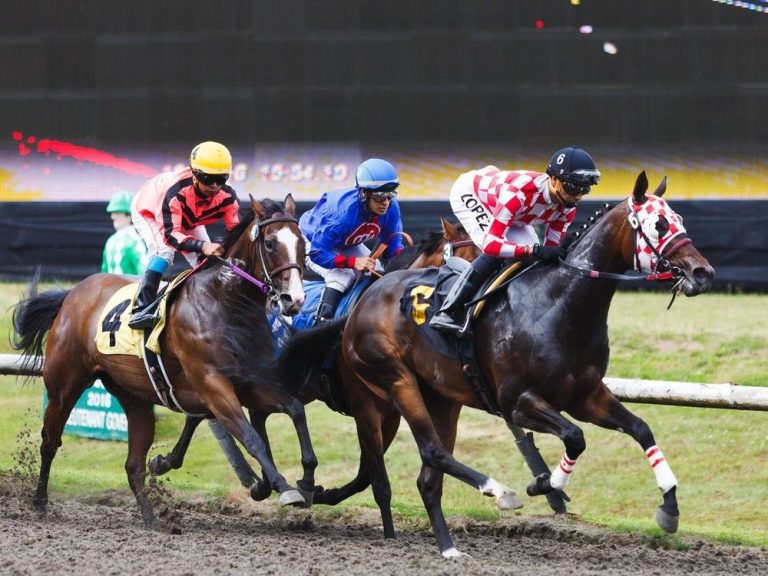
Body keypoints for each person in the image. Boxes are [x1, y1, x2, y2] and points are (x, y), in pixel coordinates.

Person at [429, 146, 600, 335]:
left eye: (585, 189)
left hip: (514, 212)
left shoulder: (567, 207)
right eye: (573, 187)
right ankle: (448, 310)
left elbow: (550, 252)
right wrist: (533, 250)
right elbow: (491, 245)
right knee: (498, 253)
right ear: (553, 180)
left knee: (534, 258)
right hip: (472, 193)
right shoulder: (520, 193)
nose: (578, 196)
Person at [127, 141, 241, 329]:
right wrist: (203, 245)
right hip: (149, 210)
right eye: (207, 178)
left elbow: (236, 231)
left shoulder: (228, 196)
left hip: (187, 217)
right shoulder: (176, 193)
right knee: (164, 252)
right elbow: (171, 236)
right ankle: (141, 309)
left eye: (221, 178)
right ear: (195, 174)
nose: (214, 185)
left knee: (205, 261)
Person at [299, 158, 405, 323]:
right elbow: (318, 253)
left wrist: (408, 262)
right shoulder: (342, 215)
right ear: (364, 193)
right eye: (379, 196)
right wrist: (353, 262)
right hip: (311, 241)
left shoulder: (391, 209)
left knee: (378, 272)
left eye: (390, 194)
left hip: (345, 243)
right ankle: (320, 325)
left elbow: (393, 247)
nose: (385, 202)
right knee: (341, 277)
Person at [101, 190, 148, 275]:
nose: (113, 216)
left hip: (130, 287)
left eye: (117, 212)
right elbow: (104, 271)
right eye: (112, 213)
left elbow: (144, 272)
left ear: (129, 215)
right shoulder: (110, 241)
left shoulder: (135, 241)